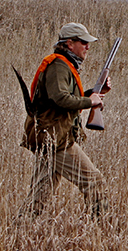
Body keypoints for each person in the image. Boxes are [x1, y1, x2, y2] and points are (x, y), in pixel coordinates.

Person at [21, 22, 109, 217]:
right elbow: (60, 98)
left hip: (50, 136)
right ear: (70, 43)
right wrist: (89, 101)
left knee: (41, 192)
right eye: (84, 42)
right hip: (56, 138)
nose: (88, 47)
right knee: (94, 182)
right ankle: (101, 231)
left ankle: (21, 231)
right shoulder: (59, 66)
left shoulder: (63, 64)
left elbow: (61, 98)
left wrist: (93, 95)